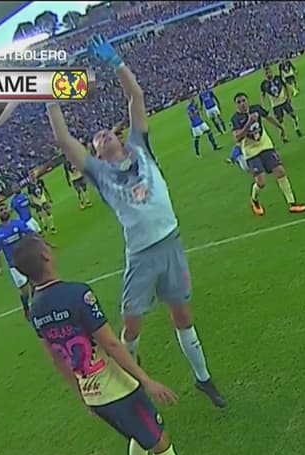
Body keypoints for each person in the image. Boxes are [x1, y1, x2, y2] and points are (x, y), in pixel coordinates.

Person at [47, 37, 228, 409]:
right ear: (97, 154)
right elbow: (64, 141)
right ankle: (131, 379)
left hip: (170, 242)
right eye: (96, 139)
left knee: (183, 316)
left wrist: (116, 62)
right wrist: (51, 97)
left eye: (107, 132)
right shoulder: (99, 173)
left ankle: (203, 379)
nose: (103, 134)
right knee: (131, 324)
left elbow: (136, 97)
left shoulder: (140, 147)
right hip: (142, 256)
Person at [12, 234, 210, 455]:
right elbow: (111, 344)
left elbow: (57, 359)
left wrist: (82, 396)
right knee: (160, 442)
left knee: (136, 435)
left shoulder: (36, 310)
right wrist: (146, 380)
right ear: (46, 257)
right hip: (118, 389)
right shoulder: (77, 294)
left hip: (93, 393)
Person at [231, 92, 305, 217]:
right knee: (261, 182)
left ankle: (292, 204)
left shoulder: (256, 109)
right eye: (239, 102)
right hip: (251, 152)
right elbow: (237, 137)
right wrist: (248, 123)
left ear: (248, 101)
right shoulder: (235, 119)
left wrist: (280, 127)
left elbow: (268, 117)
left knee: (280, 171)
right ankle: (254, 200)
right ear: (236, 105)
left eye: (244, 100)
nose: (242, 104)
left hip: (265, 146)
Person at [0, 204, 34, 317]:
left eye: (5, 209)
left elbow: (31, 234)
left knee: (34, 284)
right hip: (14, 265)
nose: (4, 211)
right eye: (1, 210)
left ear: (9, 210)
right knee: (24, 290)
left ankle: (36, 306)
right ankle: (26, 308)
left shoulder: (18, 224)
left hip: (27, 259)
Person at [260, 65, 302, 138]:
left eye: (269, 72)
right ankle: (284, 136)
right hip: (276, 105)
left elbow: (285, 86)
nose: (268, 74)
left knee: (293, 114)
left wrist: (288, 96)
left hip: (284, 101)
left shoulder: (278, 78)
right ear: (265, 74)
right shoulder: (263, 84)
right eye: (267, 73)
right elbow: (263, 95)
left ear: (272, 72)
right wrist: (264, 106)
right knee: (280, 120)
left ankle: (297, 128)